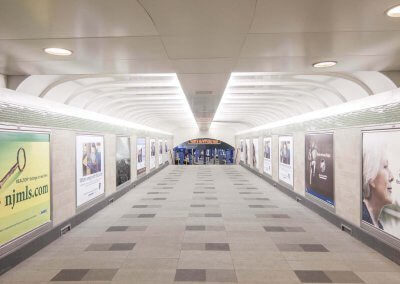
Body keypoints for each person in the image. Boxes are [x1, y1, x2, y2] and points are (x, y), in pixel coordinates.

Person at [362, 136, 395, 230]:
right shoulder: (363, 217)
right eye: (385, 167)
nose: (392, 177)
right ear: (371, 178)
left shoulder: (378, 225)